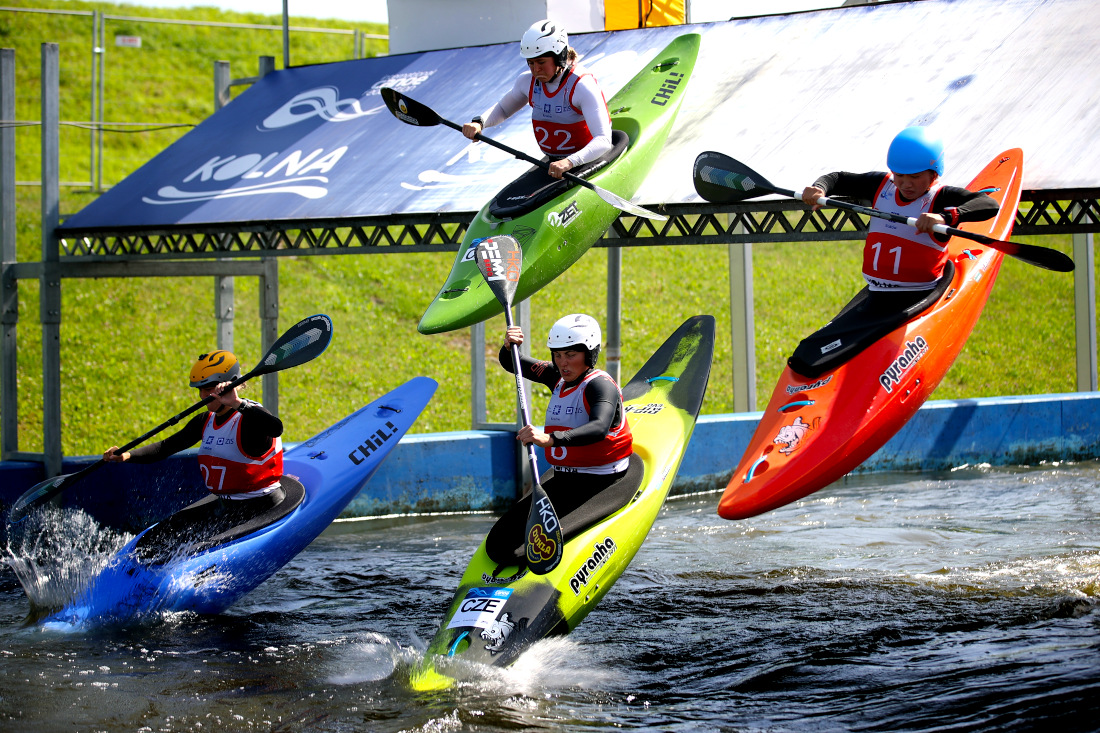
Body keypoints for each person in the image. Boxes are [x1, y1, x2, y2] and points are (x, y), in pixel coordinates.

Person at [789, 126, 1000, 378]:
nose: (905, 184)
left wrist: (946, 216)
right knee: (805, 354)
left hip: (914, 297)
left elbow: (989, 204)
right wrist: (819, 188)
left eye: (915, 177)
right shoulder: (882, 185)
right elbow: (838, 178)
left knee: (816, 358)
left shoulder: (941, 197)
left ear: (934, 173)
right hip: (876, 296)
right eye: (899, 175)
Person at [486, 314, 634, 566]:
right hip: (566, 478)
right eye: (557, 355)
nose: (563, 363)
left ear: (589, 354)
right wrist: (508, 346)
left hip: (601, 479)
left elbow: (599, 427)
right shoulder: (556, 376)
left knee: (534, 547)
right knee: (499, 544)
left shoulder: (600, 386)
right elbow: (513, 363)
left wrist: (550, 438)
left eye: (571, 355)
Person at [103, 350, 286, 552]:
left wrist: (236, 403)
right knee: (150, 544)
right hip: (226, 507)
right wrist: (125, 456)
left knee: (189, 551)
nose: (203, 396)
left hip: (262, 507)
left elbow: (275, 427)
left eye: (208, 389)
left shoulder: (249, 419)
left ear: (230, 385)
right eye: (200, 390)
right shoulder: (205, 421)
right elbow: (165, 447)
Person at [461, 19, 613, 181]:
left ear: (560, 57)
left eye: (541, 62)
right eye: (531, 63)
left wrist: (570, 161)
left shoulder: (582, 85)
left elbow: (603, 140)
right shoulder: (526, 81)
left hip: (588, 160)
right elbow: (503, 110)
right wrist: (479, 123)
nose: (536, 69)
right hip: (555, 164)